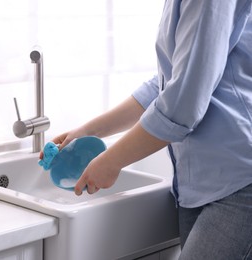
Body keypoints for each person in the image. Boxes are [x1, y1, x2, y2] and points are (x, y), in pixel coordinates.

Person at [41, 1, 252, 259]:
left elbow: (183, 101)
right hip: (201, 185)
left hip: (239, 178)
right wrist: (87, 131)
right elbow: (167, 84)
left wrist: (112, 161)